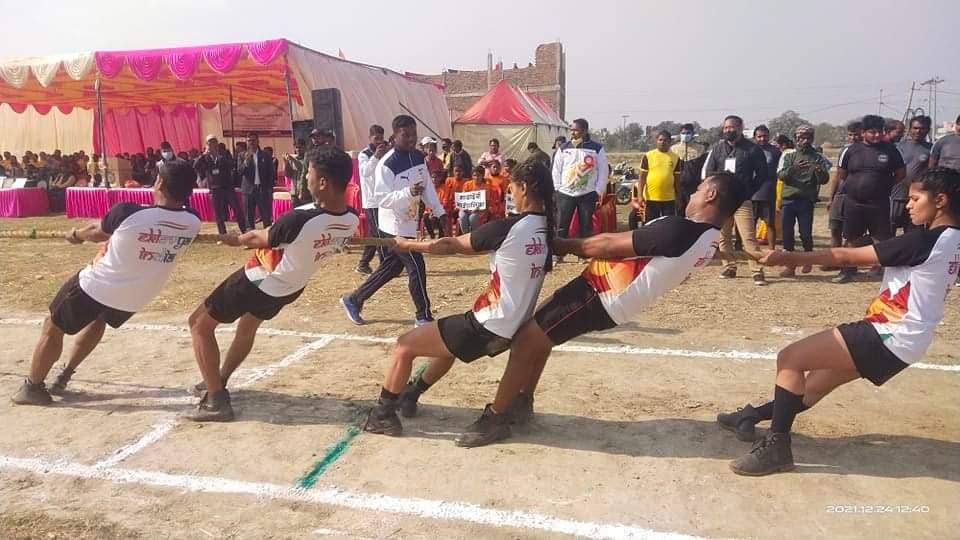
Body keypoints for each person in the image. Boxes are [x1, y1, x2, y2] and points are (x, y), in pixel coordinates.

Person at [453, 173, 747, 446]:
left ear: (710, 195)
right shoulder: (708, 239)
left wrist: (560, 244)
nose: (692, 194)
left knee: (525, 341)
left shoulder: (681, 230)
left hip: (600, 294)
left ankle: (496, 418)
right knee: (541, 337)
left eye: (699, 190)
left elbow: (608, 244)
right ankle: (521, 402)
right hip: (611, 298)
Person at [720, 167, 960, 475]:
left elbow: (845, 258)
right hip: (908, 342)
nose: (908, 206)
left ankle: (776, 449)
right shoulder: (952, 240)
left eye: (915, 199)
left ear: (940, 200)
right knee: (811, 388)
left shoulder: (924, 241)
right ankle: (751, 415)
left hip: (888, 333)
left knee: (790, 359)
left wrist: (790, 258)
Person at [362, 160, 555, 435]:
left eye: (512, 187)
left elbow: (449, 245)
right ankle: (412, 393)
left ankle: (382, 415)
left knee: (404, 346)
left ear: (523, 187)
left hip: (489, 324)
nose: (511, 192)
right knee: (449, 344)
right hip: (510, 327)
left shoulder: (508, 228)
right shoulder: (546, 228)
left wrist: (406, 244)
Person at [186, 147, 359, 421]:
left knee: (198, 324)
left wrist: (236, 239)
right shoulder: (351, 219)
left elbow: (261, 238)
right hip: (290, 287)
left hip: (260, 279)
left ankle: (216, 400)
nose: (306, 178)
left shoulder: (299, 219)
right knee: (247, 327)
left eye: (309, 173)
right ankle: (219, 378)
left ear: (323, 182)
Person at [11, 161, 202, 403]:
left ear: (160, 183)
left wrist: (76, 234)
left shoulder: (129, 212)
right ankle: (64, 375)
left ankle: (33, 387)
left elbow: (96, 232)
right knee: (97, 319)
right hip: (136, 297)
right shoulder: (193, 221)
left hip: (98, 285)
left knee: (53, 325)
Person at [340, 115, 445, 327]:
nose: (411, 139)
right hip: (393, 226)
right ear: (395, 136)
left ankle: (354, 299)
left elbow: (427, 187)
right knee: (416, 266)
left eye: (414, 134)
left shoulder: (418, 157)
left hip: (410, 222)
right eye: (406, 135)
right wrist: (407, 192)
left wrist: (439, 210)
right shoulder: (386, 164)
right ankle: (423, 315)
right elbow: (382, 199)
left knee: (392, 267)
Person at [832, 115, 905, 284]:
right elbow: (842, 173)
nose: (877, 135)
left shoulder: (891, 150)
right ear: (863, 132)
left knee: (881, 238)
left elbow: (901, 173)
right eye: (872, 132)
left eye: (880, 132)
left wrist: (882, 186)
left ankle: (881, 270)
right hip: (854, 203)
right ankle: (848, 270)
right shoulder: (851, 150)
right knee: (851, 238)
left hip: (879, 203)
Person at [702, 115, 769, 285]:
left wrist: (749, 191)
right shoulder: (717, 149)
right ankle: (729, 267)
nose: (728, 130)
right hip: (722, 201)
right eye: (725, 127)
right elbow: (709, 172)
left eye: (731, 127)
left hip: (742, 200)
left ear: (740, 128)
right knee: (723, 237)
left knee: (749, 237)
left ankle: (757, 271)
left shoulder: (752, 149)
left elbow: (762, 174)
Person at [777, 125, 830, 276]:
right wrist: (794, 168)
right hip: (789, 200)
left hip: (806, 200)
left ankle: (808, 260)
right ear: (795, 139)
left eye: (808, 137)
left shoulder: (818, 156)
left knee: (805, 233)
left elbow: (824, 180)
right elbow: (781, 175)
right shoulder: (788, 154)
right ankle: (790, 265)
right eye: (801, 138)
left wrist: (819, 171)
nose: (805, 140)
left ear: (812, 139)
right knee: (787, 233)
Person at [553, 118, 609, 262]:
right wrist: (557, 188)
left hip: (587, 194)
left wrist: (598, 190)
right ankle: (559, 254)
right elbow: (556, 169)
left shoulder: (597, 149)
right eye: (571, 130)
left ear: (584, 131)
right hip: (565, 193)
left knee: (586, 225)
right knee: (562, 225)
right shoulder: (564, 148)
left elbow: (603, 171)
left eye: (576, 130)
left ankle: (584, 255)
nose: (572, 133)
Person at [825, 122, 863, 265]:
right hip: (840, 195)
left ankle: (848, 262)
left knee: (852, 233)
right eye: (850, 135)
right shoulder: (844, 151)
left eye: (856, 135)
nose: (853, 138)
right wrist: (831, 198)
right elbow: (837, 176)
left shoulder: (866, 152)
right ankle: (834, 261)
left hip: (855, 197)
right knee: (835, 229)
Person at [196, 135, 246, 235]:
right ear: (207, 145)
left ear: (217, 143)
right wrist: (203, 155)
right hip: (215, 189)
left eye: (214, 142)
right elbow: (195, 166)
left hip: (227, 188)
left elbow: (232, 165)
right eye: (210, 143)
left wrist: (220, 158)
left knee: (237, 210)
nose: (212, 145)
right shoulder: (205, 157)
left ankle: (244, 230)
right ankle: (223, 234)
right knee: (218, 214)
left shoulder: (224, 153)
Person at [356, 125, 388, 275]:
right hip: (372, 200)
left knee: (375, 233)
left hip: (384, 198)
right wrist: (376, 156)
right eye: (376, 138)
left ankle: (363, 263)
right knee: (379, 234)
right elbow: (365, 172)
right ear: (370, 138)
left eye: (381, 138)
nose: (379, 141)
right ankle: (385, 265)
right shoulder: (364, 154)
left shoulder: (385, 152)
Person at [893, 116, 933, 233]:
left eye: (922, 128)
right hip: (897, 194)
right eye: (915, 128)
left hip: (917, 196)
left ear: (928, 130)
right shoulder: (898, 147)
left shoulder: (931, 149)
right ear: (909, 129)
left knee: (913, 230)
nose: (918, 131)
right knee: (890, 226)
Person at [637, 130, 681, 223]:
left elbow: (677, 180)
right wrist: (640, 196)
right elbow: (642, 178)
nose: (662, 142)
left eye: (665, 140)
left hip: (669, 199)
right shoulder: (648, 156)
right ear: (656, 141)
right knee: (651, 225)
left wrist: (678, 196)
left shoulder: (675, 158)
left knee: (668, 224)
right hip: (651, 198)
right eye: (660, 140)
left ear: (670, 142)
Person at [752, 125, 781, 250]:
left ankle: (771, 249)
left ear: (769, 136)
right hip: (752, 193)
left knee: (770, 223)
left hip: (768, 192)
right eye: (759, 136)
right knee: (750, 224)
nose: (762, 139)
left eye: (764, 136)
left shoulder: (775, 152)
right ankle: (749, 249)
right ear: (754, 137)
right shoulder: (749, 150)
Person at [239, 134, 277, 230]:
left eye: (253, 140)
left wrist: (269, 188)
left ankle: (267, 234)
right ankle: (251, 234)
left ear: (258, 141)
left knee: (266, 216)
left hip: (262, 190)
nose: (251, 142)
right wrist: (245, 162)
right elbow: (239, 172)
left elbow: (270, 173)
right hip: (248, 191)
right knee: (249, 217)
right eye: (249, 141)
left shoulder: (265, 155)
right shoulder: (242, 155)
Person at [670, 123, 708, 217]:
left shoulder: (701, 149)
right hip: (678, 187)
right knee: (678, 212)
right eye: (683, 133)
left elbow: (705, 167)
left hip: (695, 187)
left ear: (692, 134)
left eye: (688, 133)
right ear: (680, 134)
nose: (685, 135)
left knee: (694, 212)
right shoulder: (673, 149)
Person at [459, 166, 495, 233]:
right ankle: (466, 235)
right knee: (462, 216)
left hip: (480, 210)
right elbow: (463, 200)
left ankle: (475, 234)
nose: (476, 177)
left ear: (482, 176)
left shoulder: (486, 187)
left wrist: (478, 209)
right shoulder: (467, 184)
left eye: (478, 175)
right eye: (474, 175)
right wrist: (465, 208)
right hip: (466, 209)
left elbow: (486, 204)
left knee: (472, 218)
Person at [425, 168, 451, 239]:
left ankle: (441, 235)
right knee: (425, 217)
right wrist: (430, 211)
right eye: (432, 177)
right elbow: (427, 202)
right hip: (431, 210)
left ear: (440, 178)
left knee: (438, 216)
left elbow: (445, 202)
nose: (434, 179)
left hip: (443, 209)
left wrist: (435, 211)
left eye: (436, 177)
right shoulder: (429, 189)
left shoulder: (445, 188)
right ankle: (432, 235)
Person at [284, 139, 308, 206]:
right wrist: (286, 163)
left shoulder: (308, 158)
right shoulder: (292, 159)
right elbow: (288, 174)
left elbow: (302, 169)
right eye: (296, 147)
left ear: (305, 147)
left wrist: (293, 159)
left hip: (305, 193)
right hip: (294, 193)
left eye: (300, 147)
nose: (298, 149)